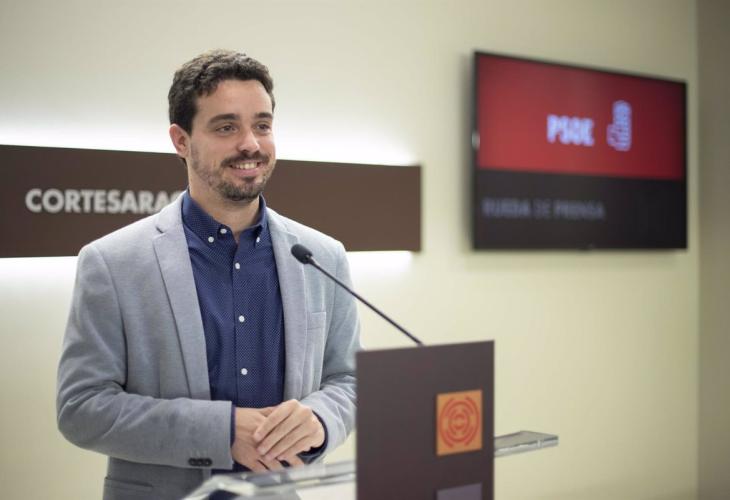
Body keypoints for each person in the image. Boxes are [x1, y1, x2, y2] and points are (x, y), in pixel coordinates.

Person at [56, 50, 361, 500]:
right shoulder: (112, 262)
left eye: (262, 125)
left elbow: (350, 381)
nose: (251, 144)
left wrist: (319, 419)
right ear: (181, 141)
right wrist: (221, 431)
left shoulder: (322, 256)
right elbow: (81, 408)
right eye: (226, 127)